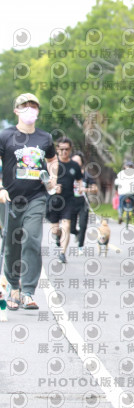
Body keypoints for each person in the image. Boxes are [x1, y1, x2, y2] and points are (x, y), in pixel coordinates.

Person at [0, 93, 58, 310]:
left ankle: (28, 292)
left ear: (38, 111)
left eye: (33, 106)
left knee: (32, 239)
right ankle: (13, 287)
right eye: (25, 106)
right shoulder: (5, 135)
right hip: (9, 198)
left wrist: (53, 177)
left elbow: (52, 160)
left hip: (36, 197)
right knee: (11, 244)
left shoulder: (45, 138)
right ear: (16, 110)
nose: (30, 110)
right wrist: (0, 187)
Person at [47, 137, 82, 264]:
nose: (64, 152)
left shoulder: (74, 165)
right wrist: (52, 187)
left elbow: (79, 180)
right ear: (57, 149)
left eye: (66, 149)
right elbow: (43, 181)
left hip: (68, 200)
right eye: (61, 149)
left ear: (70, 149)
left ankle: (62, 253)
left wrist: (81, 188)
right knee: (55, 230)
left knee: (66, 225)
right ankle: (58, 236)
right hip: (53, 200)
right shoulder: (52, 164)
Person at [69, 152, 98, 255]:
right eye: (74, 161)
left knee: (83, 225)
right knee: (70, 227)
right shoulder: (68, 173)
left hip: (83, 203)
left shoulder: (86, 175)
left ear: (81, 162)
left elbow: (95, 189)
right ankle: (76, 233)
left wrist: (85, 189)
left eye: (78, 161)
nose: (76, 163)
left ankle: (80, 246)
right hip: (70, 203)